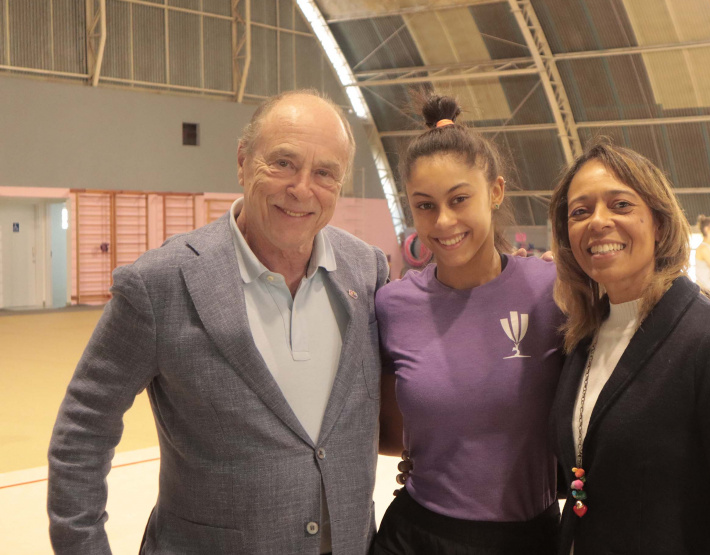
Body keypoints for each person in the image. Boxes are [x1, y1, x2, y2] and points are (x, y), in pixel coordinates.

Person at [47, 90, 388, 555]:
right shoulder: (160, 284)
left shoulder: (367, 270)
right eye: (283, 163)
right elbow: (82, 433)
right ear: (243, 162)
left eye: (325, 172)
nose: (302, 188)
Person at [547, 138, 710, 554]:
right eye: (579, 212)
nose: (597, 221)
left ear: (659, 222)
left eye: (620, 205)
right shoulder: (581, 337)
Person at [371, 95, 566, 555]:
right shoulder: (393, 305)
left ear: (495, 191)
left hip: (530, 538)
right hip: (417, 537)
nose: (443, 222)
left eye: (460, 199)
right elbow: (385, 430)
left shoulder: (553, 289)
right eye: (425, 206)